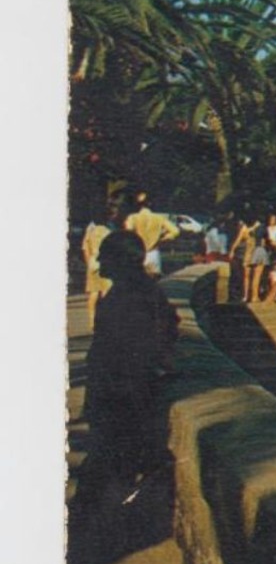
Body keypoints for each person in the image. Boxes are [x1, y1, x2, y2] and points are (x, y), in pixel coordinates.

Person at [79, 231, 179, 510]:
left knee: (107, 479)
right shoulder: (142, 289)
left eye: (105, 254)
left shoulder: (130, 297)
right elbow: (170, 325)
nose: (99, 260)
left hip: (120, 400)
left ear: (120, 260)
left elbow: (126, 355)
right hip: (125, 396)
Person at [80, 203, 122, 331]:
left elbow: (84, 247)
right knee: (106, 293)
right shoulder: (109, 231)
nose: (115, 215)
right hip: (106, 262)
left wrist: (89, 262)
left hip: (93, 261)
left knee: (93, 293)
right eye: (113, 213)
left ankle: (92, 320)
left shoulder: (91, 229)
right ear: (108, 216)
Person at [124, 192, 180, 276]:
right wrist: (163, 239)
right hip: (153, 253)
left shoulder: (133, 218)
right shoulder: (159, 218)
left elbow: (128, 233)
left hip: (138, 253)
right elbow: (175, 231)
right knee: (154, 280)